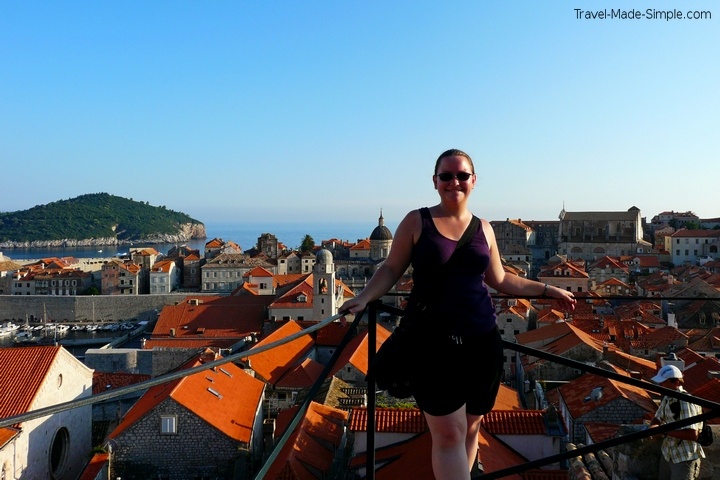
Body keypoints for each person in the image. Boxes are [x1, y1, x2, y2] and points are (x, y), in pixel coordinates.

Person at [339, 149, 576, 480]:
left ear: (474, 181)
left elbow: (502, 279)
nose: (454, 182)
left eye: (462, 175)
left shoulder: (484, 229)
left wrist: (548, 290)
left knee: (470, 429)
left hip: (482, 343)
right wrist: (363, 298)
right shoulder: (416, 221)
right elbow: (391, 267)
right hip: (431, 342)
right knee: (448, 434)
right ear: (435, 182)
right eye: (446, 176)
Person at [649, 364, 705, 480]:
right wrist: (653, 427)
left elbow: (692, 434)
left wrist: (664, 431)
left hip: (684, 457)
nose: (661, 385)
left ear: (676, 383)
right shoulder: (668, 398)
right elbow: (657, 418)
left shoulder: (685, 401)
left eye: (664, 382)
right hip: (668, 453)